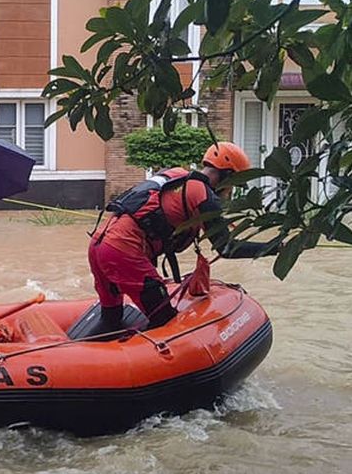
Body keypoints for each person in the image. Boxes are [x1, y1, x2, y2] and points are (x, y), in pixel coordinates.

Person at [89, 142, 280, 332]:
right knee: (164, 321)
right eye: (233, 185)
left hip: (98, 244)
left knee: (111, 317)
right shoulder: (203, 196)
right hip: (123, 251)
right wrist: (276, 247)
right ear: (226, 175)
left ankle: (84, 349)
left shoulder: (178, 176)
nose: (230, 192)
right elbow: (227, 248)